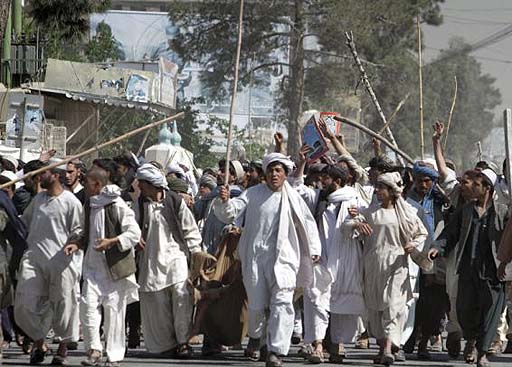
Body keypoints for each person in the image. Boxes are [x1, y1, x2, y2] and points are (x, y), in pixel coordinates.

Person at [213, 153, 322, 367]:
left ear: (285, 174)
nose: (274, 174)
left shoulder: (293, 197)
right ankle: (257, 337)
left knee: (282, 303)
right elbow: (229, 213)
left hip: (284, 259)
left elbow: (308, 223)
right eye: (271, 170)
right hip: (255, 258)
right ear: (265, 173)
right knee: (256, 306)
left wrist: (314, 249)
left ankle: (276, 351)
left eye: (278, 170)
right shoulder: (253, 194)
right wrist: (224, 201)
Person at [346, 172, 428, 365]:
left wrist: (413, 246)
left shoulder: (406, 213)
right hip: (373, 265)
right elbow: (347, 227)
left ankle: (389, 348)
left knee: (393, 306)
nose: (377, 191)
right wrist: (356, 223)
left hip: (397, 265)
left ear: (391, 191)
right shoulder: (370, 212)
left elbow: (421, 233)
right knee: (375, 309)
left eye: (381, 188)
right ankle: (382, 346)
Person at [429, 169, 509, 367]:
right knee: (464, 310)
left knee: (490, 313)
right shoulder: (465, 211)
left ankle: (481, 352)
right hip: (467, 269)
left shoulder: (502, 211)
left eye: (473, 184)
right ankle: (471, 339)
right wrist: (437, 248)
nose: (468, 188)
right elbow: (450, 234)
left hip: (492, 271)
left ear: (486, 188)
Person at [64, 169, 141, 367]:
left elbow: (134, 233)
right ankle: (94, 350)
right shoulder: (89, 205)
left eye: (87, 183)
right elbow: (83, 231)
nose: (85, 186)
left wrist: (112, 241)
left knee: (114, 313)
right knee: (88, 309)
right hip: (92, 268)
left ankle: (114, 356)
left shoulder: (117, 204)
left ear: (97, 184)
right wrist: (77, 243)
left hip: (114, 269)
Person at [14, 163, 83, 365]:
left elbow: (79, 231)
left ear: (54, 175)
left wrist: (73, 244)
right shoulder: (38, 200)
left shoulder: (71, 202)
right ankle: (39, 341)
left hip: (61, 261)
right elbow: (23, 224)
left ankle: (62, 348)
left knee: (63, 306)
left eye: (41, 173)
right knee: (23, 305)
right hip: (34, 259)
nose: (37, 177)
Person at [135, 163, 203, 357]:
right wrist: (135, 238)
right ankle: (167, 344)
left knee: (182, 298)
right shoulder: (140, 203)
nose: (140, 187)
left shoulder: (174, 201)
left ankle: (183, 342)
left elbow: (190, 229)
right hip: (151, 259)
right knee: (158, 303)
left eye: (142, 183)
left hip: (176, 257)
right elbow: (132, 226)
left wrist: (195, 252)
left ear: (152, 184)